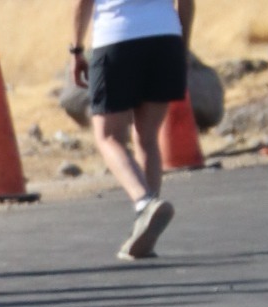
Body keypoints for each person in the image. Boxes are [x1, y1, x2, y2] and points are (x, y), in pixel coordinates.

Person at [71, 0, 194, 260]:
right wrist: (182, 46)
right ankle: (144, 231)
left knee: (108, 136)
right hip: (166, 37)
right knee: (147, 137)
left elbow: (82, 3)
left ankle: (145, 203)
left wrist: (76, 49)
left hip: (116, 37)